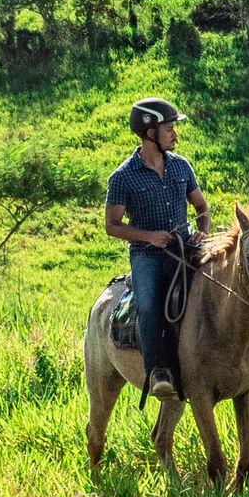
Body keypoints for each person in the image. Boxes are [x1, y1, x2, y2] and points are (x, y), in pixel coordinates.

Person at [104, 99, 212, 401]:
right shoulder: (123, 177)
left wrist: (201, 233)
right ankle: (157, 371)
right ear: (150, 133)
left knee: (230, 279)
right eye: (169, 128)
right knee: (150, 303)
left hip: (184, 249)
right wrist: (149, 237)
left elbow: (202, 208)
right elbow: (112, 225)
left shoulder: (181, 166)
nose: (174, 134)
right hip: (147, 255)